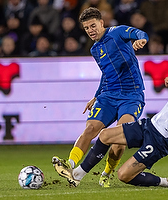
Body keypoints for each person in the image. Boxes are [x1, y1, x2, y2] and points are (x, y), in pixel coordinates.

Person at [52, 43, 168, 188]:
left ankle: (164, 182)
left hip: (162, 140)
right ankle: (77, 175)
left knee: (123, 175)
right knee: (105, 135)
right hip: (151, 124)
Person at [52, 7, 148, 187]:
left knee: (119, 138)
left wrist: (142, 39)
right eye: (87, 28)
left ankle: (106, 173)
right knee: (90, 128)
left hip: (131, 95)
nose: (90, 30)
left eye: (93, 25)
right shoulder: (95, 49)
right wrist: (96, 96)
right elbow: (106, 73)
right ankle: (70, 165)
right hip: (109, 95)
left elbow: (139, 32)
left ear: (101, 23)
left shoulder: (117, 32)